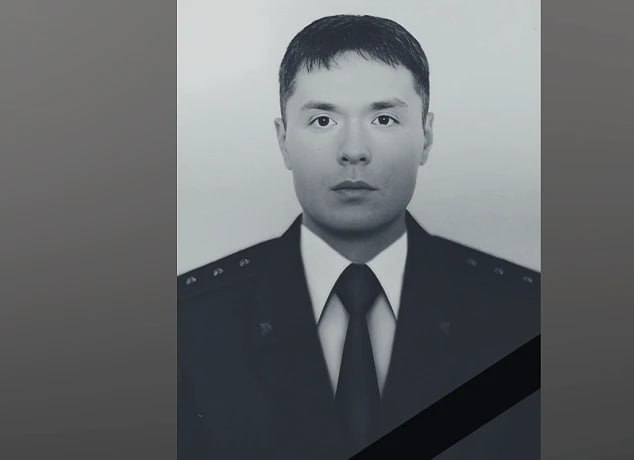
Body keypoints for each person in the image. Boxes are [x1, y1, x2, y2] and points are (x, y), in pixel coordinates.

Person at [178, 14, 539, 459]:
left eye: (384, 119)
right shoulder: (188, 325)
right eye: (323, 120)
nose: (353, 150)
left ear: (426, 137)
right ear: (284, 140)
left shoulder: (526, 318)